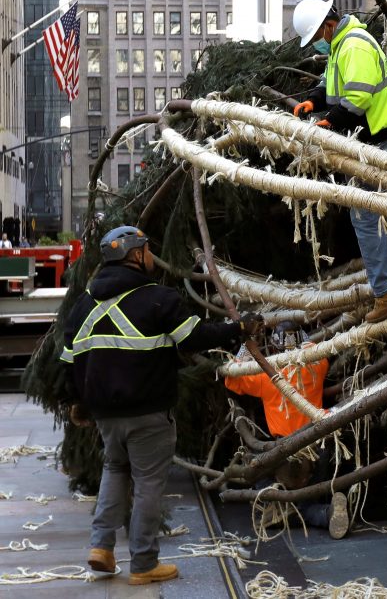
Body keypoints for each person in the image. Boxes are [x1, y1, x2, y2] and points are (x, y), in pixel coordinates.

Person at [60, 226, 263, 585]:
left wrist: (76, 402)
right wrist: (239, 328)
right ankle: (143, 564)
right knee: (148, 483)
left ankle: (101, 547)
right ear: (136, 255)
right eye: (148, 249)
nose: (152, 255)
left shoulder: (84, 304)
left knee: (114, 469)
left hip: (106, 415)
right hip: (149, 412)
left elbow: (68, 359)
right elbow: (194, 337)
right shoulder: (158, 298)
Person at [291, 0, 387, 323]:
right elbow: (331, 85)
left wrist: (331, 122)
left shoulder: (352, 45)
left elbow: (357, 97)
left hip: (377, 144)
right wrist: (313, 101)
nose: (318, 44)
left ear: (328, 26)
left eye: (317, 38)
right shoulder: (342, 45)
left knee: (366, 218)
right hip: (382, 140)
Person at [224, 320, 348, 538]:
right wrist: (299, 335)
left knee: (256, 462)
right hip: (317, 447)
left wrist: (247, 346)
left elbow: (231, 379)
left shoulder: (264, 377)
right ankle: (326, 512)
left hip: (281, 451)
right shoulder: (318, 366)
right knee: (310, 500)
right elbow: (312, 348)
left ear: (273, 348)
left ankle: (275, 508)